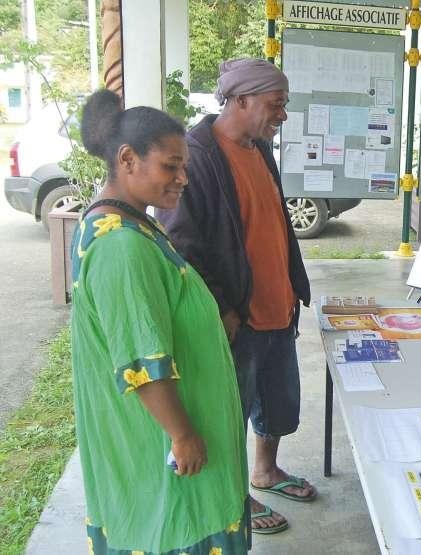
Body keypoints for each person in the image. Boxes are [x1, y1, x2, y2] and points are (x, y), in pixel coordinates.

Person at [71, 89, 249, 552]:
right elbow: (139, 357)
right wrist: (182, 434)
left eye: (183, 165)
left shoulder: (135, 224)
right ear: (128, 159)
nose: (183, 178)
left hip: (177, 427)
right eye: (171, 165)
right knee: (172, 526)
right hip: (160, 441)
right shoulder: (121, 247)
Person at [157, 58, 314, 534]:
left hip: (277, 305)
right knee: (232, 411)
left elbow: (272, 222)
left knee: (279, 401)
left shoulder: (259, 147)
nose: (282, 114)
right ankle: (235, 495)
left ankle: (266, 471)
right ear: (241, 100)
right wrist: (222, 309)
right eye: (276, 104)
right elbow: (182, 242)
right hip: (236, 316)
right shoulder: (198, 153)